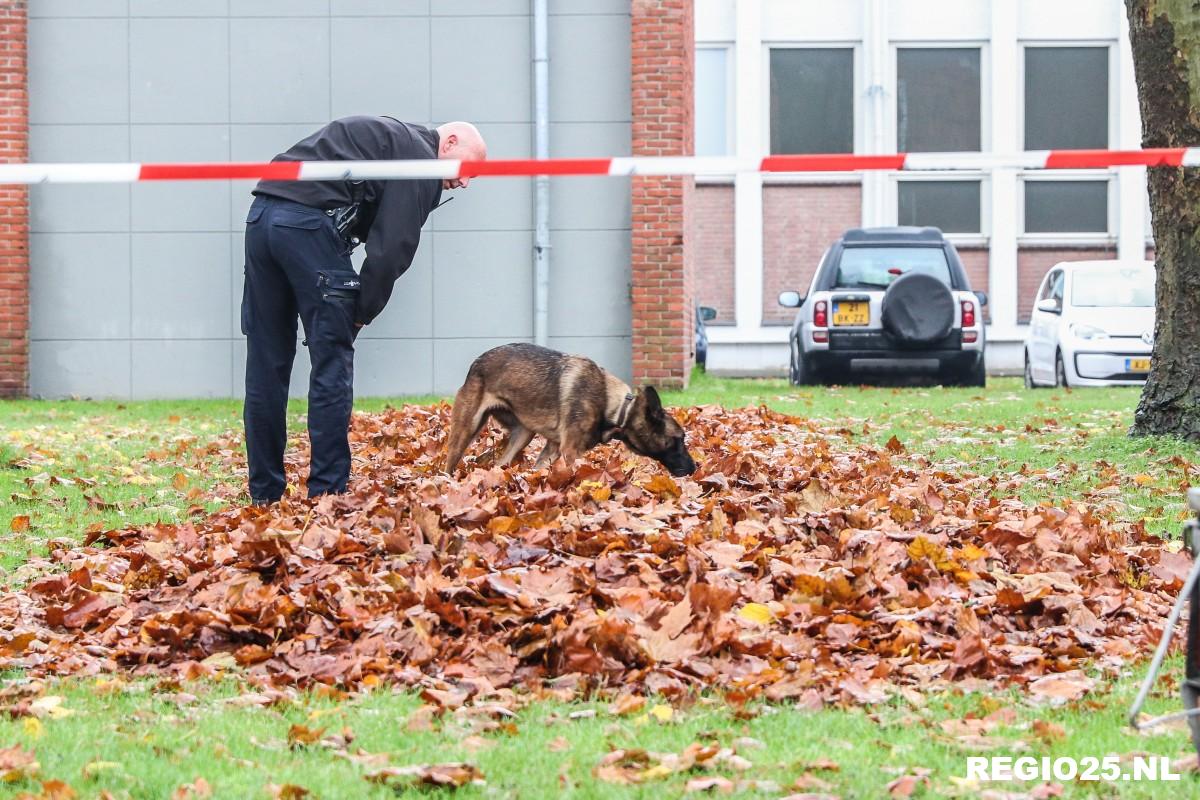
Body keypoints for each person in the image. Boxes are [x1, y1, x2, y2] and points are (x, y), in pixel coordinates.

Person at [240, 116, 487, 505]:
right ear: (450, 142)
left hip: (262, 217)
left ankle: (264, 496)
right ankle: (328, 494)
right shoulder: (421, 160)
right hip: (308, 226)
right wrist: (360, 311)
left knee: (266, 365)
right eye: (467, 169)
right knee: (331, 360)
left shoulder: (390, 140)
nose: (466, 182)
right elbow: (392, 249)